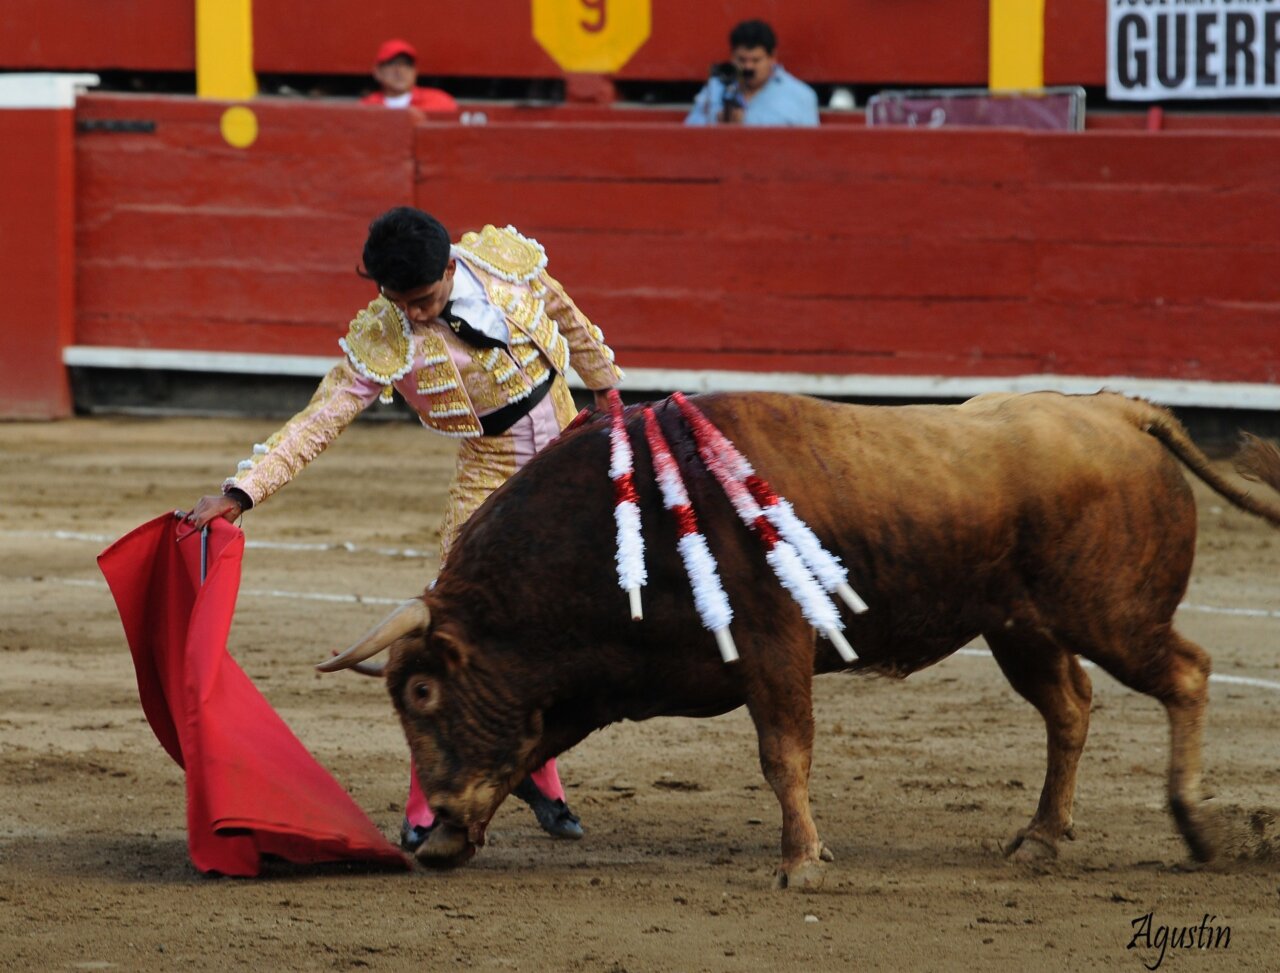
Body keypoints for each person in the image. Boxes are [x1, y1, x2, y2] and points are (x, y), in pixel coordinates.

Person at [186, 207, 624, 851]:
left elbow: (566, 315)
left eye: (422, 300)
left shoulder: (504, 262)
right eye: (398, 301)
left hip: (571, 456)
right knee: (447, 635)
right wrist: (241, 491)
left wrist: (607, 390)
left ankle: (536, 769)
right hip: (490, 473)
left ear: (448, 267)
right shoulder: (385, 337)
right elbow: (321, 418)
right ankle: (427, 799)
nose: (412, 314)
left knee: (566, 622)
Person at [684, 20, 818, 128]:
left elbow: (809, 146)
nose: (748, 67)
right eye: (742, 60)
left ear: (772, 58)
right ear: (732, 57)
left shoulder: (800, 95)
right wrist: (717, 125)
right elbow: (690, 134)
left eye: (756, 60)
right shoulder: (715, 88)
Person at [361, 38, 458, 112]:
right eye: (392, 64)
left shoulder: (439, 102)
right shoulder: (366, 107)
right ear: (377, 72)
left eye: (407, 65)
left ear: (415, 71)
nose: (400, 71)